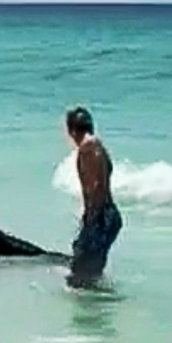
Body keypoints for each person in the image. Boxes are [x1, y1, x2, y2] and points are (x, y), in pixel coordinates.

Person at [64, 106, 123, 288]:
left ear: (72, 130)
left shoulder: (88, 146)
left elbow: (97, 185)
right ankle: (100, 309)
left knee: (80, 276)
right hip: (107, 215)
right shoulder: (97, 146)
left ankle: (94, 311)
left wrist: (91, 217)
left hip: (101, 216)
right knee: (89, 274)